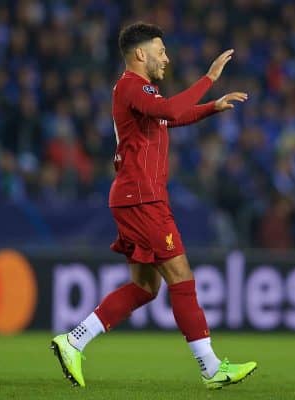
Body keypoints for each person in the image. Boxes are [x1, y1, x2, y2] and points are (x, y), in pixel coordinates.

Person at [50, 22, 256, 390]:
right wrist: (208, 78)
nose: (167, 58)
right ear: (140, 54)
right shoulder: (134, 86)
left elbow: (168, 117)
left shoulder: (139, 93)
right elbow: (173, 112)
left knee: (145, 287)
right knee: (181, 276)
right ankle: (210, 368)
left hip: (135, 197)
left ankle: (74, 340)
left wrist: (212, 108)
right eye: (161, 51)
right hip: (143, 198)